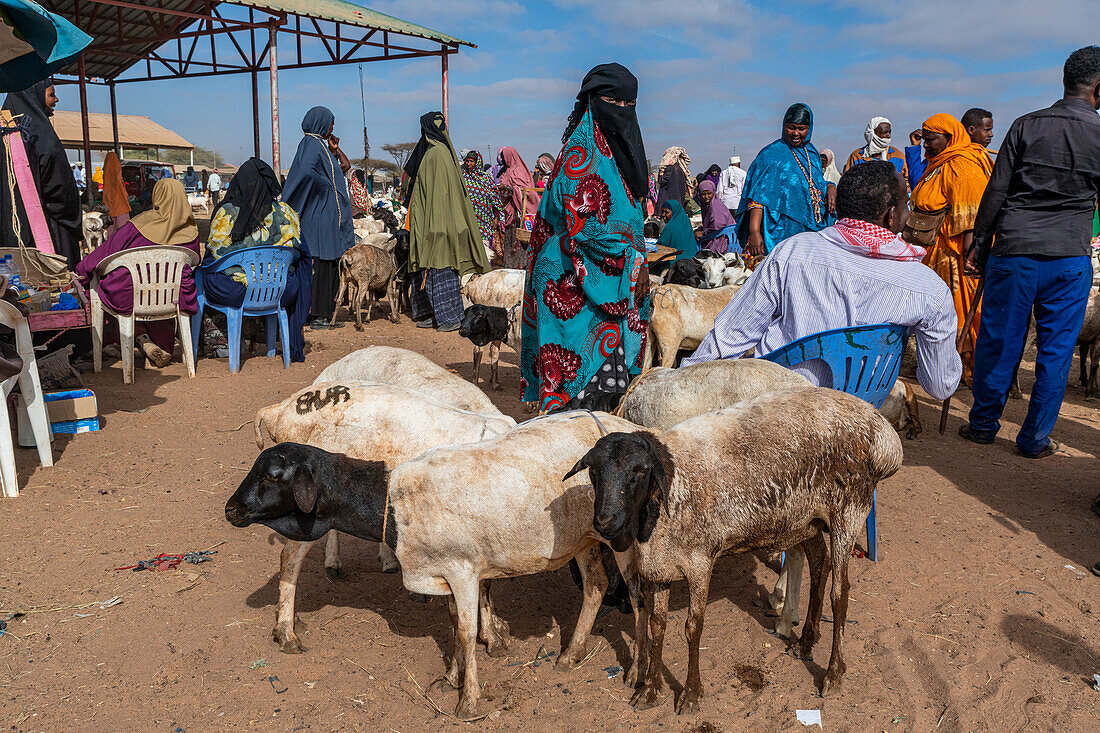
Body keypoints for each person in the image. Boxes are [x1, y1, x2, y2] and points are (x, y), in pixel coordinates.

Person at [682, 160, 962, 402]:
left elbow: (730, 338)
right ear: (891, 215)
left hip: (778, 413)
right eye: (906, 205)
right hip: (857, 422)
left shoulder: (792, 252)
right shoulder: (929, 288)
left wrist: (682, 384)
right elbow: (941, 386)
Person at [959, 46, 1100, 459]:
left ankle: (983, 425)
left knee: (1000, 343)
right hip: (1069, 260)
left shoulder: (1025, 125)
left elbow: (996, 193)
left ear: (1064, 81)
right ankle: (1035, 439)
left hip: (1014, 253)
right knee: (1056, 353)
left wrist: (979, 248)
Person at [521, 62, 650, 413]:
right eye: (614, 103)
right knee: (579, 392)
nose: (622, 112)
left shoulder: (619, 153)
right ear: (594, 101)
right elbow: (587, 229)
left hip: (610, 277)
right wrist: (635, 262)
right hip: (572, 280)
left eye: (630, 105)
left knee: (607, 386)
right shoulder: (581, 154)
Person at [76, 178, 200, 368]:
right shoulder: (191, 231)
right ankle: (156, 345)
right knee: (166, 289)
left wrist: (81, 272)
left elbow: (102, 254)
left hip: (130, 297)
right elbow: (194, 262)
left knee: (107, 283)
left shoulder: (139, 224)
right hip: (171, 298)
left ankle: (136, 339)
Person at [201, 157, 312, 363]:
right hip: (280, 292)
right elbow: (301, 254)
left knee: (206, 274)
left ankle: (219, 339)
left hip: (236, 292)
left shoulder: (225, 213)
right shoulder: (287, 213)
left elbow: (212, 255)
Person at [910, 112, 993, 383]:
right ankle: (943, 367)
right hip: (936, 252)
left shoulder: (962, 166)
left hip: (957, 258)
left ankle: (965, 368)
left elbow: (971, 218)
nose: (926, 145)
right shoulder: (940, 163)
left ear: (949, 137)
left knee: (960, 313)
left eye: (931, 140)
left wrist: (971, 259)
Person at [404, 111, 489, 332]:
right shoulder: (440, 154)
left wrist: (434, 228)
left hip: (438, 225)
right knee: (432, 267)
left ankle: (449, 318)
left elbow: (438, 199)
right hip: (437, 224)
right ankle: (433, 314)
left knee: (439, 266)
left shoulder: (436, 156)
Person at [282, 106, 354, 329]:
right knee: (323, 264)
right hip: (319, 217)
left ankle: (325, 313)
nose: (332, 128)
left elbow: (344, 167)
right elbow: (304, 172)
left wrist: (335, 149)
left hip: (328, 217)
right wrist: (325, 186)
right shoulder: (310, 144)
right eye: (331, 123)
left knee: (330, 263)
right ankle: (318, 315)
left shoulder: (321, 147)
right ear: (321, 123)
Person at [0, 80, 82, 267]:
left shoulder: (5, 131)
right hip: (47, 234)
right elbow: (59, 190)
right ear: (33, 96)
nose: (56, 100)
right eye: (51, 95)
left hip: (7, 236)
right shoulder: (41, 135)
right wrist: (72, 214)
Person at [737, 103, 836, 259]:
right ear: (784, 126)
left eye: (801, 128)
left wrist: (830, 187)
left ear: (809, 128)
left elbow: (814, 185)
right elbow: (758, 197)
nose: (796, 133)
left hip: (808, 233)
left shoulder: (812, 154)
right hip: (778, 231)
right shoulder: (771, 155)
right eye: (791, 127)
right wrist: (754, 231)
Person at [496, 146, 541, 269]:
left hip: (521, 213)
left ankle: (521, 266)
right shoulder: (507, 171)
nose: (504, 159)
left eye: (505, 156)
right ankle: (510, 266)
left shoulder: (519, 171)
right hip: (511, 212)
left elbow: (528, 192)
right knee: (510, 240)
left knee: (521, 242)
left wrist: (510, 189)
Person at [460, 150, 504, 262]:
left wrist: (497, 216)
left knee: (483, 250)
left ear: (477, 162)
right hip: (466, 219)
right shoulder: (461, 177)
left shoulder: (485, 178)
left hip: (483, 220)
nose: (468, 164)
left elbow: (495, 197)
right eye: (467, 161)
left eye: (472, 161)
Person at [844, 116, 909, 182]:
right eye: (885, 132)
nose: (888, 135)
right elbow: (847, 181)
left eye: (890, 132)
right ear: (872, 133)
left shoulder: (898, 155)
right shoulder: (857, 156)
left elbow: (907, 180)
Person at [698, 179, 737, 253]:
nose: (706, 197)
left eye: (709, 193)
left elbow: (717, 224)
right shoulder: (707, 206)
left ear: (713, 193)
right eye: (703, 194)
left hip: (722, 239)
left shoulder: (716, 206)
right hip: (716, 236)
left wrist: (703, 232)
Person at [101, 151, 130, 238]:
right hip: (120, 206)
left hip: (109, 205)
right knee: (122, 232)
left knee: (111, 231)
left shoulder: (105, 174)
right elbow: (122, 190)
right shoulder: (117, 174)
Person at [656, 146, 692, 213]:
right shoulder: (682, 169)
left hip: (668, 202)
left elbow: (661, 181)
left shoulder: (669, 168)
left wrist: (661, 173)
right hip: (679, 201)